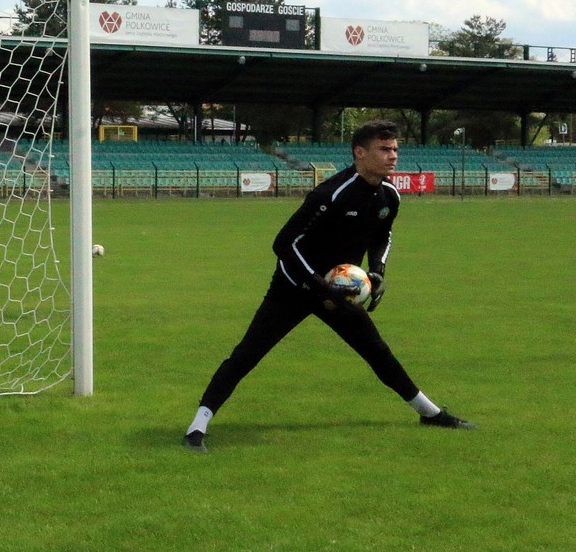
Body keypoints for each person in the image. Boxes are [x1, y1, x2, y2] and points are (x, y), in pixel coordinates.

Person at [184, 119, 472, 452]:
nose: (393, 156)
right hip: (294, 287)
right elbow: (284, 244)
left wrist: (376, 271)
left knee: (376, 351)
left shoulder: (389, 196)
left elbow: (382, 235)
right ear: (359, 153)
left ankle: (429, 412)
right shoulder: (330, 193)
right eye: (384, 149)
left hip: (341, 290)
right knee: (247, 354)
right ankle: (197, 428)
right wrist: (320, 287)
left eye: (395, 149)